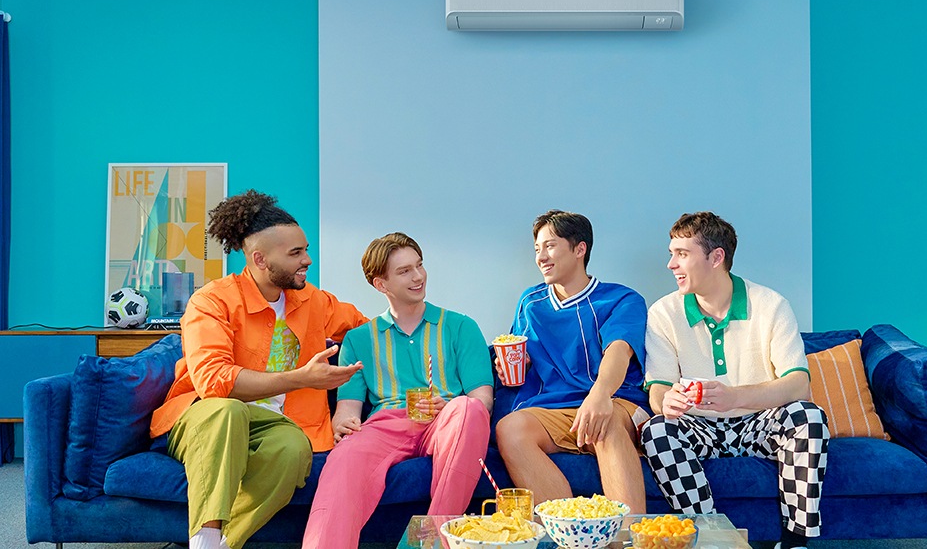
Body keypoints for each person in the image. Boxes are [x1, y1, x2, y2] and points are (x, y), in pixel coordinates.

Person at [149, 190, 370, 549]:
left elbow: (370, 333)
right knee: (228, 410)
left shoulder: (314, 301)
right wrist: (300, 378)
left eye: (306, 249)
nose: (308, 260)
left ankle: (223, 543)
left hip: (276, 424)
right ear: (260, 259)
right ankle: (204, 537)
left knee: (293, 448)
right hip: (207, 417)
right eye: (296, 253)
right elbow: (213, 382)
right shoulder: (213, 301)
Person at [640, 211, 829, 549]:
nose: (671, 264)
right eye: (672, 253)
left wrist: (735, 397)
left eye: (682, 254)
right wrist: (664, 400)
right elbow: (658, 387)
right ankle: (711, 536)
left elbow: (799, 385)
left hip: (760, 422)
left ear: (716, 257)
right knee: (656, 429)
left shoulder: (771, 305)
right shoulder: (663, 313)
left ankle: (795, 541)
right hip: (699, 427)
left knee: (808, 416)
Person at [303, 232, 493, 548]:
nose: (418, 276)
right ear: (382, 284)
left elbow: (482, 400)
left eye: (419, 266)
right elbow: (347, 410)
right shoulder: (357, 340)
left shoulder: (461, 327)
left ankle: (428, 542)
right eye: (404, 271)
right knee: (344, 456)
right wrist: (342, 424)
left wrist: (449, 406)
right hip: (386, 425)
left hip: (448, 420)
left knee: (468, 409)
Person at [494, 209, 651, 513]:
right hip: (554, 409)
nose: (541, 257)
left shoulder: (622, 299)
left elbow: (618, 352)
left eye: (550, 246)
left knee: (603, 425)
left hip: (612, 399)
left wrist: (600, 395)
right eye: (537, 249)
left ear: (580, 249)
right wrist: (513, 366)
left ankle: (627, 539)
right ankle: (568, 535)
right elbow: (520, 353)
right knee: (510, 429)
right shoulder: (530, 302)